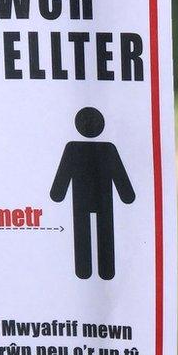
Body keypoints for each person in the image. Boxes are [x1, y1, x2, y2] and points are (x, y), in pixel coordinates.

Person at [51, 107, 135, 280]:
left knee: (84, 233)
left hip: (82, 201)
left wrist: (57, 194)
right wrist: (127, 195)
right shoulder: (107, 149)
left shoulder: (73, 148)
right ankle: (105, 271)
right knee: (102, 232)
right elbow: (121, 179)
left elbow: (62, 179)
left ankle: (85, 271)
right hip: (102, 201)